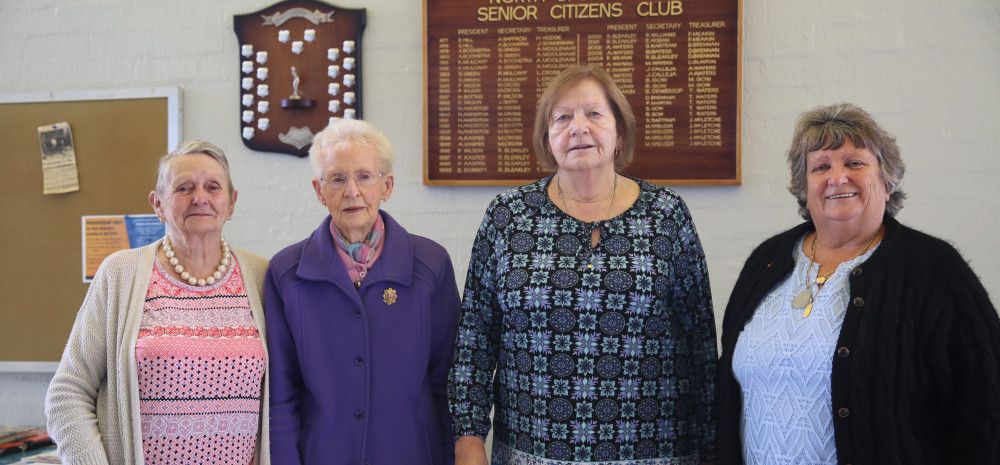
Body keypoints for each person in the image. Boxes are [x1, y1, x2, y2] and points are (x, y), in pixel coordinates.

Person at [449, 64, 717, 465]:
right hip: (531, 455)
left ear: (619, 132)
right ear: (547, 138)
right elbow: (474, 339)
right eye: (562, 117)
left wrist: (714, 448)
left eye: (594, 113)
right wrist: (468, 441)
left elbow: (701, 348)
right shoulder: (508, 215)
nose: (578, 128)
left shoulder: (666, 215)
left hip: (656, 453)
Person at [715, 103, 1000, 465]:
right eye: (821, 167)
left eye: (854, 163)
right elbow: (727, 395)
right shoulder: (767, 260)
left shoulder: (933, 270)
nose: (837, 177)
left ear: (887, 178)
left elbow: (984, 405)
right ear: (805, 186)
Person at [46, 140, 270, 465]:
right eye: (184, 188)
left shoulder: (262, 276)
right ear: (158, 204)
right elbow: (67, 393)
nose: (200, 198)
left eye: (213, 187)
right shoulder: (121, 273)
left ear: (231, 202)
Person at [265, 118, 460, 465]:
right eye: (337, 178)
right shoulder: (286, 273)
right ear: (318, 190)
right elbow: (281, 395)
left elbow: (449, 383)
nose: (352, 191)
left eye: (365, 176)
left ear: (387, 186)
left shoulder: (431, 264)